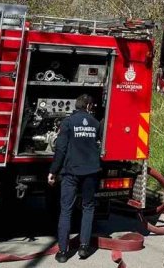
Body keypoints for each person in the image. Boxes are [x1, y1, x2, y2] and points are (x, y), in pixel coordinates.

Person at [48, 94, 102, 262]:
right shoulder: (96, 123)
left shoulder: (68, 123)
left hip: (70, 173)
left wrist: (53, 171)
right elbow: (99, 144)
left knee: (66, 210)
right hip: (91, 172)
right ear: (88, 106)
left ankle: (63, 252)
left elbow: (61, 149)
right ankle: (84, 248)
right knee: (88, 207)